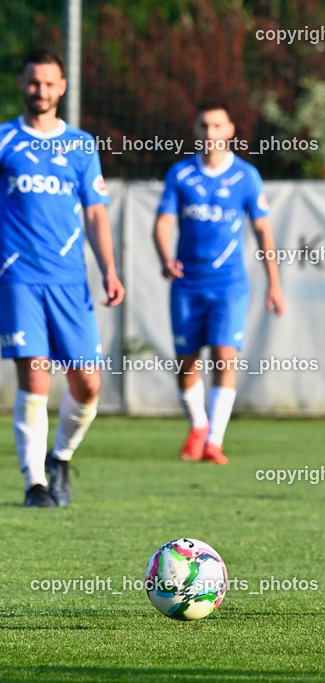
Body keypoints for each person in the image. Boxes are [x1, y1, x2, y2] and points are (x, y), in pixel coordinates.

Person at [0, 49, 125, 507]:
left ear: (63, 87)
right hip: (18, 279)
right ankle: (34, 483)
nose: (42, 91)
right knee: (34, 378)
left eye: (50, 83)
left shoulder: (80, 146)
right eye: (34, 83)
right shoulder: (4, 140)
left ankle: (61, 458)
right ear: (22, 84)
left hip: (70, 281)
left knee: (88, 384)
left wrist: (109, 269)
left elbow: (95, 212)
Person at [152, 102, 285, 465]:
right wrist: (166, 257)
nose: (210, 133)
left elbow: (262, 230)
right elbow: (163, 222)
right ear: (195, 130)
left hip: (229, 284)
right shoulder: (180, 174)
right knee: (187, 364)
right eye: (203, 126)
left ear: (230, 130)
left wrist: (274, 283)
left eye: (217, 126)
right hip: (187, 284)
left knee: (224, 357)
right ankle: (198, 426)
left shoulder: (246, 176)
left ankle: (214, 441)